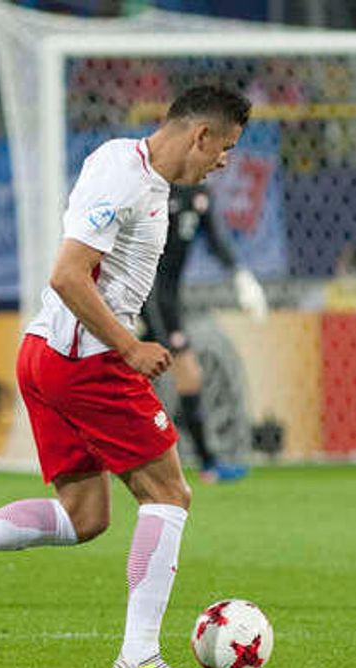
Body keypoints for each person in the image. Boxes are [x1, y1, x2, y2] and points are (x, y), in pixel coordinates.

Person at [0, 85, 252, 668]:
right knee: (171, 493)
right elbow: (66, 274)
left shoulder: (131, 169)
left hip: (47, 354)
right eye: (226, 149)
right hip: (87, 359)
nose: (224, 163)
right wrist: (130, 347)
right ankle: (139, 658)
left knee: (85, 516)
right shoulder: (126, 178)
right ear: (200, 136)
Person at [141, 181, 267, 483]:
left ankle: (205, 462)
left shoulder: (199, 195)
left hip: (168, 301)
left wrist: (240, 275)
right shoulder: (154, 190)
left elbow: (215, 240)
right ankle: (200, 462)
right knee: (167, 374)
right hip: (147, 299)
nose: (220, 161)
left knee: (177, 375)